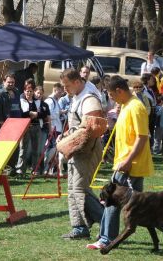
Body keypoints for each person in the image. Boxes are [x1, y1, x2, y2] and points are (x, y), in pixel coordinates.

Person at [86, 75, 163, 250]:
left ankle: (106, 238)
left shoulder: (136, 107)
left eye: (111, 95)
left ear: (119, 91)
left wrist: (128, 160)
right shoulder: (124, 106)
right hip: (124, 163)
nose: (110, 98)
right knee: (142, 208)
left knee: (111, 200)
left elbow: (142, 137)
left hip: (131, 165)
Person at [59, 69, 104, 240]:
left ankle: (107, 224)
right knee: (72, 189)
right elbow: (77, 127)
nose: (65, 89)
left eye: (67, 86)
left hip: (87, 150)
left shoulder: (89, 98)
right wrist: (66, 137)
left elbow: (91, 128)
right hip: (76, 150)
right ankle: (79, 227)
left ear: (77, 81)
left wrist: (68, 143)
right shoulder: (78, 96)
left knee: (80, 189)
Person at [0, 74, 22, 174]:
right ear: (4, 82)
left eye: (12, 82)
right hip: (3, 125)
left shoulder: (17, 92)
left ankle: (12, 168)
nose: (10, 84)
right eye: (8, 82)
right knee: (3, 149)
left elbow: (19, 107)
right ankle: (1, 169)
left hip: (16, 125)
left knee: (14, 148)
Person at [15, 82, 45, 176]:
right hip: (26, 127)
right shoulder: (21, 101)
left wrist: (36, 114)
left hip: (36, 126)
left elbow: (44, 114)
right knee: (23, 149)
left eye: (30, 91)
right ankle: (20, 170)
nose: (28, 93)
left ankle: (35, 169)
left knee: (36, 150)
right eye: (27, 91)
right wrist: (31, 113)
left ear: (33, 92)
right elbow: (21, 114)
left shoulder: (38, 101)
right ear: (24, 91)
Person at [44, 83, 64, 174]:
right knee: (51, 149)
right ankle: (46, 167)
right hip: (53, 129)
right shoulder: (50, 101)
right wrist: (59, 113)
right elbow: (49, 115)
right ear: (55, 90)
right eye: (59, 92)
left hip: (58, 128)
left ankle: (52, 168)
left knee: (55, 150)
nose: (61, 94)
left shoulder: (56, 100)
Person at [34, 86, 52, 174]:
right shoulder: (31, 103)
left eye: (41, 93)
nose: (39, 95)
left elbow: (48, 118)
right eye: (38, 93)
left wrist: (50, 130)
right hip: (33, 128)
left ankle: (40, 168)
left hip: (43, 129)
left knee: (41, 149)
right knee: (34, 149)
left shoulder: (45, 105)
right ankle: (35, 168)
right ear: (34, 92)